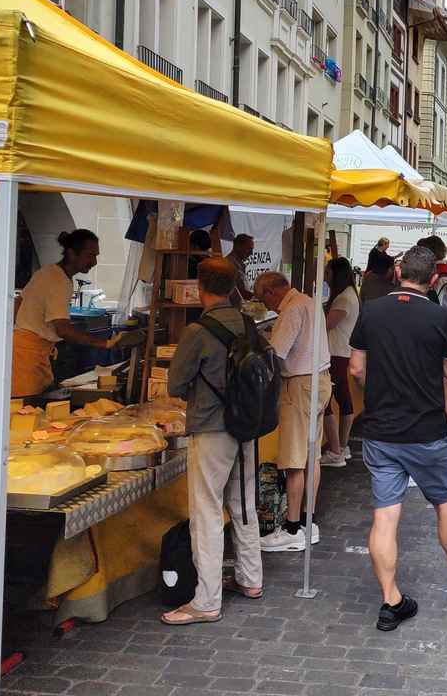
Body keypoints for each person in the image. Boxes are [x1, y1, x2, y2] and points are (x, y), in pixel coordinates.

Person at [348, 246, 447, 631]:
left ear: (398, 271)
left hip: (381, 431)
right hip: (426, 430)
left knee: (385, 516)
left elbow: (356, 368)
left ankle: (391, 600)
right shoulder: (438, 315)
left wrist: (379, 386)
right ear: (434, 280)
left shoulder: (371, 310)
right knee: (446, 504)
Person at [163, 258, 263, 624]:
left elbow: (175, 384)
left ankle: (206, 601)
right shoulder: (249, 324)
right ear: (234, 285)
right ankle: (251, 579)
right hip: (248, 424)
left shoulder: (198, 331)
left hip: (211, 426)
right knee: (244, 502)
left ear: (200, 287)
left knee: (205, 511)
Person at [253, 271, 331, 553]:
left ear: (272, 292)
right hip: (319, 381)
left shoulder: (291, 309)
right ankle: (309, 521)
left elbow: (276, 353)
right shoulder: (309, 302)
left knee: (294, 459)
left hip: (300, 385)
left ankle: (293, 527)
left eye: (264, 298)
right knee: (312, 456)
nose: (267, 305)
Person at [12, 229, 114, 397]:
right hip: (27, 357)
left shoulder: (47, 271)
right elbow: (63, 330)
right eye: (89, 255)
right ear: (72, 253)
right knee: (24, 411)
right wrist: (105, 344)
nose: (94, 262)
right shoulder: (59, 280)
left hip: (27, 350)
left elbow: (18, 303)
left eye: (96, 256)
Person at [322, 257, 360, 467]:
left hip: (334, 353)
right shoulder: (349, 295)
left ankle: (336, 450)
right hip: (340, 351)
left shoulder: (344, 299)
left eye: (327, 272)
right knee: (342, 398)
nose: (325, 276)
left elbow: (325, 325)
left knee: (327, 401)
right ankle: (342, 447)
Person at [226, 233, 256, 304]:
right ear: (238, 247)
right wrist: (257, 298)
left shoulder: (239, 263)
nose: (251, 253)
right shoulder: (230, 264)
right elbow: (238, 291)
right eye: (249, 249)